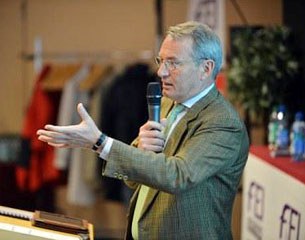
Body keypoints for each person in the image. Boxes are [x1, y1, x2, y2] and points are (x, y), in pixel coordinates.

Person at [37, 21, 249, 240]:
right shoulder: (168, 102)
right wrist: (141, 148)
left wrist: (101, 143)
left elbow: (177, 176)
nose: (161, 72)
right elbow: (135, 178)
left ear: (206, 68)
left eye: (173, 63)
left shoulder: (223, 122)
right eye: (161, 61)